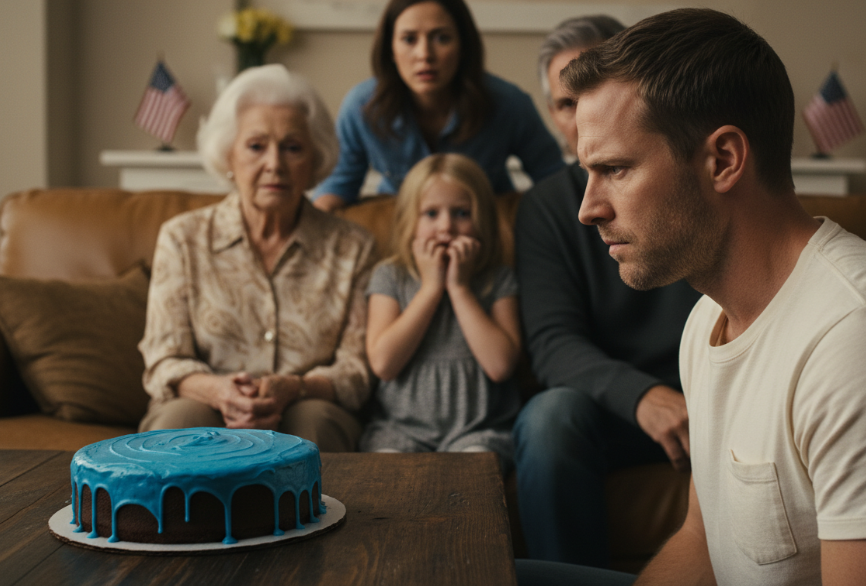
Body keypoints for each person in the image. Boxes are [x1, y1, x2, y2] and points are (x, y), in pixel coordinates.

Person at [522, 7, 866, 585]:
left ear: (723, 160)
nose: (588, 208)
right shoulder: (708, 321)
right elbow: (702, 543)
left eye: (615, 169)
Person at [512, 14, 703, 569]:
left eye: (594, 91)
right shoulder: (550, 208)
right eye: (565, 103)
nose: (581, 116)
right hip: (611, 409)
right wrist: (642, 397)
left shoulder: (681, 182)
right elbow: (552, 342)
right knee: (549, 417)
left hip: (711, 388)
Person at [139, 64, 376, 453]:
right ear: (228, 155)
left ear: (315, 159)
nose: (275, 164)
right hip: (204, 402)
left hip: (307, 404)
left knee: (314, 421)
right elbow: (164, 359)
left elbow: (356, 371)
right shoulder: (183, 239)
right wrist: (218, 391)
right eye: (256, 146)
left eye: (292, 147)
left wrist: (295, 388)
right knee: (180, 422)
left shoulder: (353, 247)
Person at [309, 0, 565, 212]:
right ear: (390, 49)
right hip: (398, 229)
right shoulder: (361, 107)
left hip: (486, 237)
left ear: (463, 46)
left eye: (441, 38)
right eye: (409, 39)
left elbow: (555, 183)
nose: (424, 54)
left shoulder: (509, 104)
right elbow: (338, 186)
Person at [359, 153, 521, 471]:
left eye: (461, 213)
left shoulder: (497, 279)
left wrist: (459, 289)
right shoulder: (390, 276)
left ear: (482, 220)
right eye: (431, 213)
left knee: (472, 473)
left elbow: (500, 366)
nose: (446, 226)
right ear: (410, 222)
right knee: (385, 478)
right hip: (399, 432)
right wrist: (431, 289)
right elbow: (383, 363)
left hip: (478, 431)